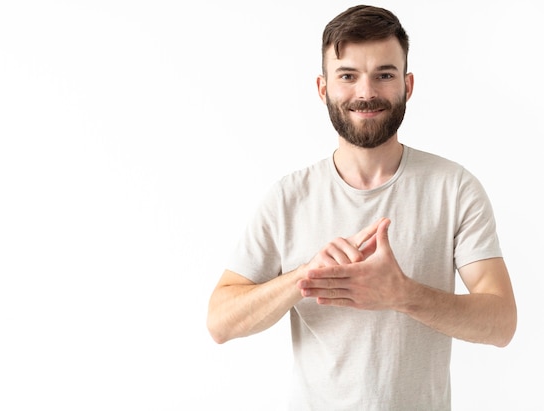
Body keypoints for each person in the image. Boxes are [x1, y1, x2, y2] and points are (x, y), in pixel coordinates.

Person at [206, 4, 517, 410]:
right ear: (323, 88)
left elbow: (501, 323)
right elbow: (220, 321)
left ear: (407, 85)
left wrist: (403, 295)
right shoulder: (288, 197)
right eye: (348, 76)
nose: (366, 93)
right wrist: (304, 276)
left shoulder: (454, 188)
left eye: (384, 75)